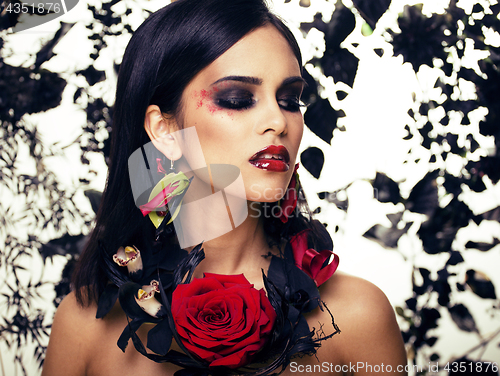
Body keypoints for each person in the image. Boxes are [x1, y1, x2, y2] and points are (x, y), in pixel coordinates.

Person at [42, 0, 408, 374]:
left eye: (290, 100)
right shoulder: (84, 325)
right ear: (165, 130)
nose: (277, 120)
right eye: (237, 99)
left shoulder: (357, 316)